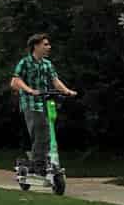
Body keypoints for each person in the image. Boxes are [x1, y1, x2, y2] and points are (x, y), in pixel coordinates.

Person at [10, 32, 78, 179]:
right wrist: (29, 90)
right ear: (36, 46)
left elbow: (55, 80)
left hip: (45, 103)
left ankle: (42, 162)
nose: (49, 47)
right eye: (45, 44)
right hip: (31, 104)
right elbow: (15, 81)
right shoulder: (25, 62)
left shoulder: (47, 64)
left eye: (48, 44)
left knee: (48, 133)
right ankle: (38, 165)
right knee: (42, 132)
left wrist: (67, 91)